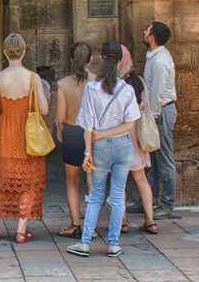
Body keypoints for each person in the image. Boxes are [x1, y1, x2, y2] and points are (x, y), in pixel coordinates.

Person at [67, 41, 141, 258]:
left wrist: (88, 151)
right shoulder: (126, 90)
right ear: (120, 62)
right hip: (123, 147)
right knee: (118, 195)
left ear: (100, 59)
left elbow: (87, 125)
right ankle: (113, 244)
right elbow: (130, 124)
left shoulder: (91, 89)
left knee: (95, 194)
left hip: (99, 148)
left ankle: (85, 242)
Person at [0, 34, 49, 244]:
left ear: (4, 53)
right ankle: (21, 231)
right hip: (27, 137)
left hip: (5, 136)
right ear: (24, 52)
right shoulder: (32, 78)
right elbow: (44, 110)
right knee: (27, 181)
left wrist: (3, 108)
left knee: (0, 180)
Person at [56, 42, 95, 239]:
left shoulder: (63, 85)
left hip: (72, 133)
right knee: (92, 182)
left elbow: (61, 117)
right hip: (94, 135)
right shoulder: (99, 82)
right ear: (91, 60)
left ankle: (75, 224)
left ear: (71, 60)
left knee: (72, 181)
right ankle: (91, 226)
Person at [117, 45, 157, 236]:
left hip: (122, 136)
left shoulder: (115, 84)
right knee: (141, 179)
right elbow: (147, 107)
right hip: (137, 138)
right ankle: (150, 220)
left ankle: (122, 221)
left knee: (120, 182)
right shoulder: (139, 82)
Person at [142, 21, 177, 220]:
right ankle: (150, 198)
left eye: (147, 30)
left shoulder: (160, 60)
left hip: (160, 112)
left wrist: (152, 116)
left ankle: (167, 202)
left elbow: (158, 92)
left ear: (152, 37)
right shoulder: (154, 57)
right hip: (156, 112)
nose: (144, 32)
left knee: (164, 159)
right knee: (153, 160)